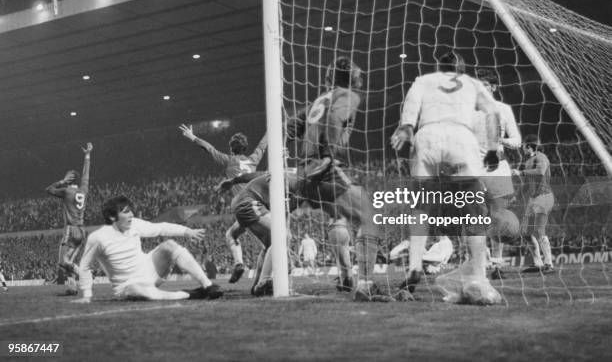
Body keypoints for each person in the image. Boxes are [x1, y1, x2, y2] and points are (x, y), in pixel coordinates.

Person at [391, 51, 502, 305]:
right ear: (461, 69)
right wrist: (494, 148)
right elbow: (493, 112)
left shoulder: (423, 80)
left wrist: (407, 127)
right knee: (474, 207)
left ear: (439, 68)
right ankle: (478, 276)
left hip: (427, 136)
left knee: (421, 205)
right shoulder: (472, 84)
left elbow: (410, 110)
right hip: (460, 138)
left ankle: (415, 267)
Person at [287, 56, 383, 301]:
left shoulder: (319, 100)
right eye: (358, 74)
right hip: (323, 168)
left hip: (303, 171)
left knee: (338, 217)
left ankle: (345, 275)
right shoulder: (348, 96)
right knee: (369, 218)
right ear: (351, 77)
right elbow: (334, 119)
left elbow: (290, 127)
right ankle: (365, 283)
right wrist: (329, 154)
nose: (360, 78)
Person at [73, 195, 223, 303]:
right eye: (125, 212)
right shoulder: (98, 237)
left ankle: (208, 286)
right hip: (128, 285)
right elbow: (85, 266)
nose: (131, 215)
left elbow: (160, 228)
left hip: (150, 271)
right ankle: (190, 295)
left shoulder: (134, 224)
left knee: (169, 245)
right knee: (137, 290)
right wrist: (87, 295)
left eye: (130, 211)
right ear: (112, 217)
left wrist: (187, 231)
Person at [179, 124, 267, 284]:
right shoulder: (253, 160)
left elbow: (210, 149)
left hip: (244, 207)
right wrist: (271, 131)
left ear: (232, 149)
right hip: (258, 205)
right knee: (242, 237)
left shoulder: (229, 160)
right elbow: (262, 145)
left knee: (235, 237)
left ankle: (241, 264)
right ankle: (253, 275)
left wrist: (192, 137)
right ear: (245, 148)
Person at [475, 69, 522, 279]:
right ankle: (479, 263)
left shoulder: (503, 109)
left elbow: (517, 141)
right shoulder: (471, 110)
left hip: (497, 168)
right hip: (475, 169)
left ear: (493, 87)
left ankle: (496, 265)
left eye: (484, 84)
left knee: (497, 218)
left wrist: (499, 140)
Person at [46, 143, 93, 295]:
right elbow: (86, 175)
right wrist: (87, 155)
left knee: (62, 262)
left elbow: (49, 190)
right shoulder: (83, 190)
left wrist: (62, 181)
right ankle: (72, 288)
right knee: (70, 262)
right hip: (82, 230)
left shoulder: (66, 191)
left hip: (70, 230)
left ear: (69, 179)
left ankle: (84, 276)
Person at [513, 135, 555, 273]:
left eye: (524, 146)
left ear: (529, 146)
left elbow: (540, 172)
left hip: (543, 197)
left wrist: (521, 172)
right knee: (525, 233)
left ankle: (549, 263)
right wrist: (516, 197)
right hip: (533, 199)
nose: (522, 148)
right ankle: (538, 263)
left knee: (539, 230)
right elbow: (526, 184)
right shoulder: (529, 160)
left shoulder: (541, 157)